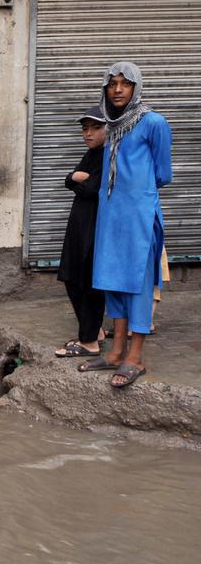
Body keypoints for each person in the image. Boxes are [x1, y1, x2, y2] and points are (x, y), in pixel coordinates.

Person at [78, 62, 172, 388]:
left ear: (136, 87)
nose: (117, 90)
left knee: (138, 283)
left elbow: (163, 174)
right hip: (111, 215)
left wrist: (136, 194)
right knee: (112, 280)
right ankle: (116, 352)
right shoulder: (112, 125)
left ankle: (135, 357)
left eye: (125, 83)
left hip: (138, 216)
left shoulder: (153, 122)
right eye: (112, 83)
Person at [55, 106, 107, 358]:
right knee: (71, 276)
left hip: (94, 227)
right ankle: (95, 331)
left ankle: (89, 342)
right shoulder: (91, 154)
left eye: (95, 128)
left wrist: (77, 180)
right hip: (80, 225)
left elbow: (91, 189)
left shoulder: (108, 155)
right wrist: (75, 177)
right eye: (85, 129)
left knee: (88, 281)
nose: (88, 133)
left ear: (109, 129)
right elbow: (69, 180)